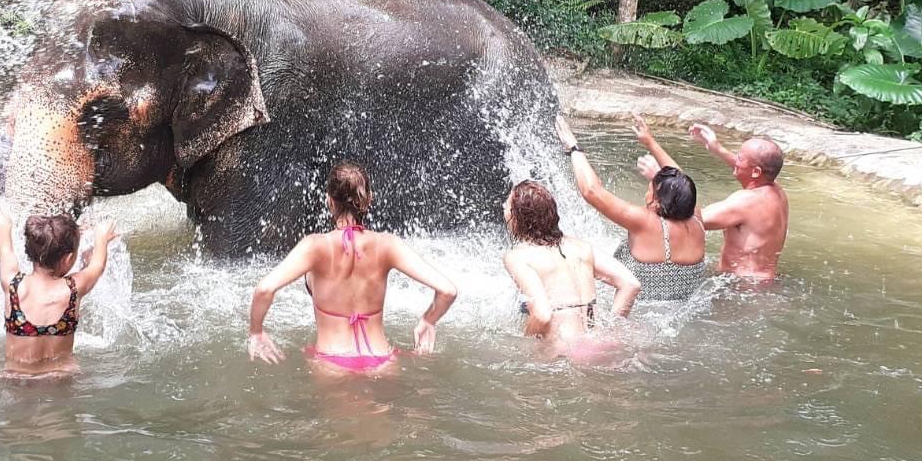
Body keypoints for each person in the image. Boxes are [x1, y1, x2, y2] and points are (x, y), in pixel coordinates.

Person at [246, 162, 458, 372]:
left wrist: (256, 333)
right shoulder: (388, 244)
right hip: (383, 361)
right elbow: (448, 291)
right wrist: (428, 321)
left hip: (332, 363)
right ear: (369, 199)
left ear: (329, 200)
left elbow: (264, 289)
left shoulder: (315, 246)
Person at [556, 114, 706, 301]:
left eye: (649, 190)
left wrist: (574, 148)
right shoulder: (696, 217)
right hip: (681, 308)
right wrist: (650, 142)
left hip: (641, 312)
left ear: (657, 202)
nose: (646, 194)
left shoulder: (645, 223)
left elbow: (592, 192)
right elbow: (682, 184)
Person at [635, 118, 789, 281]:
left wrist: (661, 178)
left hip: (739, 286)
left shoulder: (745, 202)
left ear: (756, 172)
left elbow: (689, 215)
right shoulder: (777, 192)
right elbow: (755, 171)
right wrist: (717, 149)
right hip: (763, 281)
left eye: (740, 157)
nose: (735, 159)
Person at [0, 200, 116, 374]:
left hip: (16, 379)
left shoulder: (13, 284)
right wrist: (101, 238)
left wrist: (4, 227)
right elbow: (97, 266)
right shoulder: (73, 289)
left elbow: (6, 252)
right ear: (68, 258)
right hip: (61, 378)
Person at [502, 180, 640, 352]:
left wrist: (524, 347)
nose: (504, 208)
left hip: (563, 353)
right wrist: (611, 332)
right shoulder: (581, 247)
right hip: (598, 346)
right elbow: (631, 284)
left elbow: (542, 315)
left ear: (520, 215)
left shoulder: (517, 257)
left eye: (507, 205)